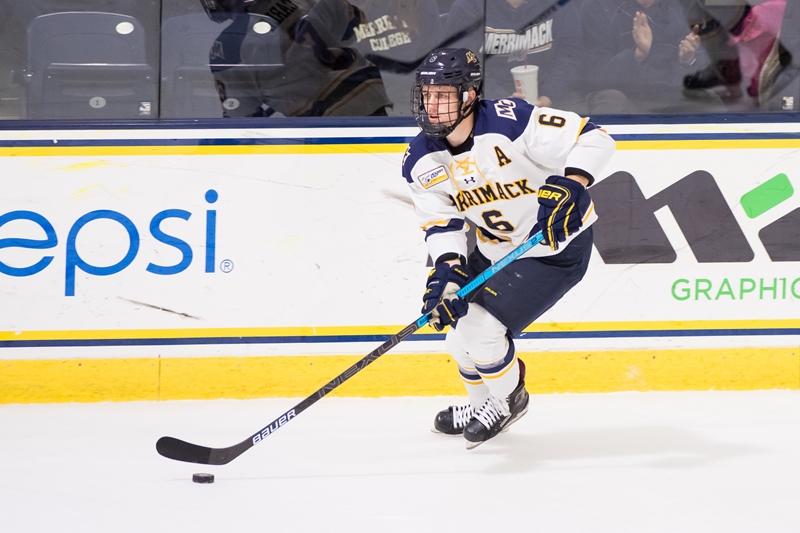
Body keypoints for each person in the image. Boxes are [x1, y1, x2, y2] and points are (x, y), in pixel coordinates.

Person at [402, 48, 615, 448]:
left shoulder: (509, 120)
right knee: (457, 332)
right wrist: (446, 278)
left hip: (553, 246)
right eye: (426, 93)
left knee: (481, 331)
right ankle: (481, 403)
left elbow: (594, 138)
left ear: (468, 95)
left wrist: (573, 184)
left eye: (442, 94)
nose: (431, 104)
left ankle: (508, 400)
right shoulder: (419, 159)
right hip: (495, 248)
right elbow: (441, 224)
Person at [201, 0, 393, 117]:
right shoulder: (308, 2)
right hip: (369, 99)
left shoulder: (229, 45)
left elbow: (241, 116)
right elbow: (355, 24)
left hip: (321, 119)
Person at [579, 0, 724, 114]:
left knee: (712, 101)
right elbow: (594, 74)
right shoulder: (597, 7)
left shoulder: (682, 6)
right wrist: (637, 55)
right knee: (610, 102)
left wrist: (686, 61)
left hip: (670, 97)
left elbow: (704, 71)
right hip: (625, 95)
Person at [440, 0, 586, 112]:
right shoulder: (468, 7)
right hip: (486, 99)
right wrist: (499, 98)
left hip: (552, 96)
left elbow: (570, 56)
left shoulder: (560, 5)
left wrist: (548, 96)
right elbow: (463, 65)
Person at [351, 0, 445, 115]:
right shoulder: (340, 6)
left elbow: (436, 58)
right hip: (359, 102)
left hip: (410, 103)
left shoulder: (421, 3)